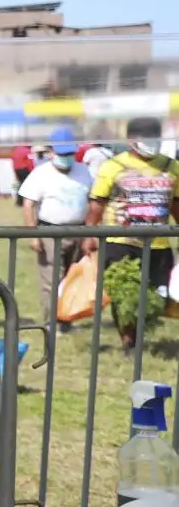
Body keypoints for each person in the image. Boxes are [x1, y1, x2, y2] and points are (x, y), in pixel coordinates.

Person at [85, 116, 179, 349]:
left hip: (158, 243)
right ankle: (129, 341)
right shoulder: (113, 167)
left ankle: (140, 331)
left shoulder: (171, 167)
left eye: (155, 139)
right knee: (124, 292)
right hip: (120, 240)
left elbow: (176, 204)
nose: (151, 143)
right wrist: (88, 235)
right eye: (146, 139)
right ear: (131, 141)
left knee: (156, 294)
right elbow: (97, 204)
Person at [17, 127, 92, 330]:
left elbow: (92, 201)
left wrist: (90, 233)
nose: (66, 158)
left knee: (72, 278)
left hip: (78, 230)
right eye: (62, 154)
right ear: (51, 152)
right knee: (51, 280)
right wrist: (33, 235)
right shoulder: (40, 174)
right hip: (50, 231)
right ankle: (51, 323)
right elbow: (28, 204)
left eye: (69, 154)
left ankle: (66, 321)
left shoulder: (83, 171)